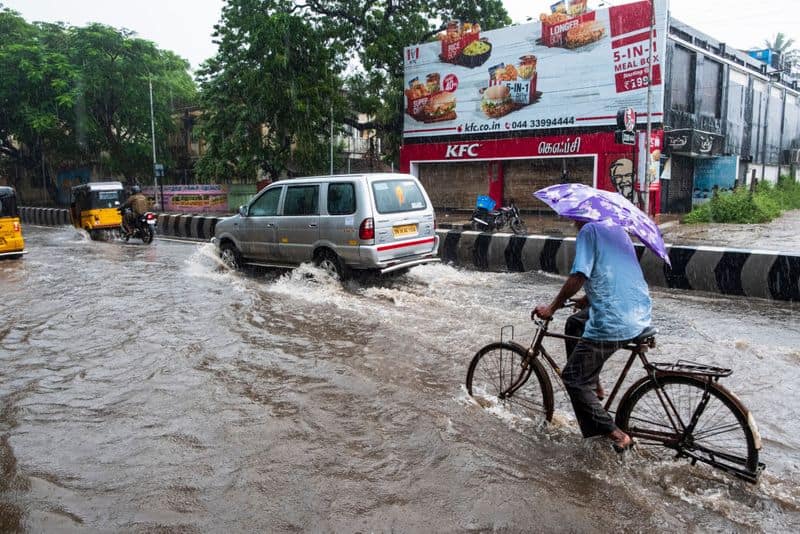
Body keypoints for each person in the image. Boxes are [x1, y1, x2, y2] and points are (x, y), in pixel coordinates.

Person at [533, 220, 651, 451]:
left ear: (580, 215)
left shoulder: (589, 231)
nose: (572, 222)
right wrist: (587, 299)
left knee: (572, 379)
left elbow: (579, 275)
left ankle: (617, 434)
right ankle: (594, 385)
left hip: (614, 318)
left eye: (573, 217)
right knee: (575, 323)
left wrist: (552, 308)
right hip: (638, 311)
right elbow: (614, 272)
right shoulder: (617, 230)